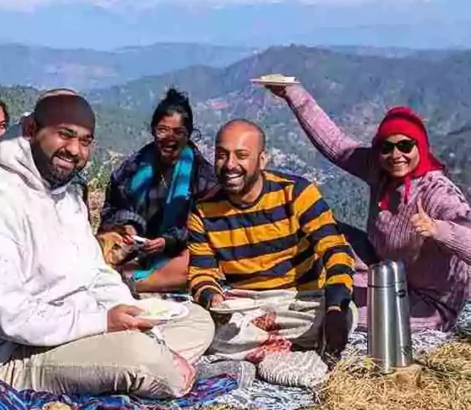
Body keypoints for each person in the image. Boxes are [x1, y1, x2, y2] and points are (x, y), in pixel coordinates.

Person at [0, 93, 214, 398]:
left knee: (196, 320)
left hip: (81, 331)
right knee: (143, 357)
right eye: (65, 134)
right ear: (32, 129)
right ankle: (164, 369)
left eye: (85, 141)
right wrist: (102, 322)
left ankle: (153, 364)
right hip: (18, 357)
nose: (74, 150)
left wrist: (131, 314)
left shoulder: (66, 196)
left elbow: (97, 274)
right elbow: (5, 316)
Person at [265, 82, 471, 331]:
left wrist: (439, 229)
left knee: (338, 312)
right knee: (319, 229)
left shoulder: (438, 193)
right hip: (385, 269)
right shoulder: (379, 170)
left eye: (405, 145)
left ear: (421, 146)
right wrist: (292, 92)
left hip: (428, 302)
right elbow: (336, 145)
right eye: (387, 146)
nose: (396, 154)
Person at [188, 119, 355, 363]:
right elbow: (201, 273)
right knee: (198, 323)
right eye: (222, 155)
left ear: (262, 160)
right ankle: (292, 350)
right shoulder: (203, 209)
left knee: (345, 312)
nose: (230, 165)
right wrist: (212, 298)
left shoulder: (296, 193)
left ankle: (261, 349)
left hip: (301, 301)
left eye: (241, 155)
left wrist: (334, 310)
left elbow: (335, 249)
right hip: (245, 305)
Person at [99, 88, 217, 294]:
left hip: (179, 253)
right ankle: (131, 276)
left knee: (193, 264)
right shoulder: (133, 168)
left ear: (189, 134)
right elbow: (113, 207)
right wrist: (128, 227)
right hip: (136, 250)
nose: (170, 138)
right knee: (99, 246)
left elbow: (209, 227)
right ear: (153, 130)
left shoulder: (202, 175)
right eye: (163, 130)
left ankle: (135, 283)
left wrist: (168, 242)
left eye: (179, 132)